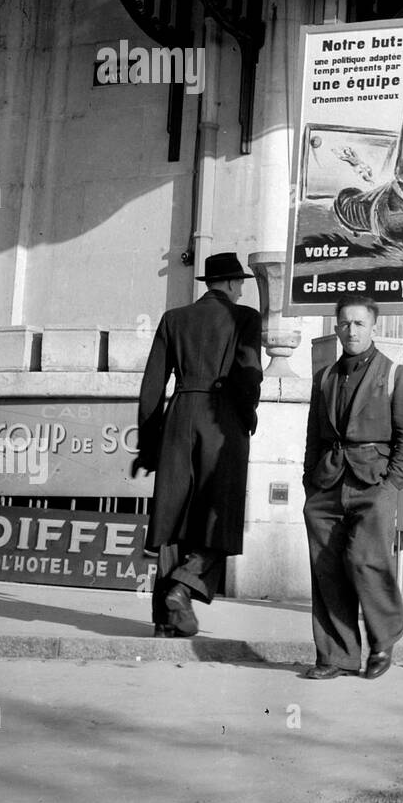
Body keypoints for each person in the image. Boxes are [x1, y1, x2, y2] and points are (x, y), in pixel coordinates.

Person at [133, 252, 262, 638]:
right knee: (220, 515)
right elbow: (249, 373)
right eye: (239, 283)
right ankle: (185, 584)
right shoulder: (246, 318)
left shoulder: (174, 319)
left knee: (172, 518)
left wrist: (148, 444)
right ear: (232, 284)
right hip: (221, 419)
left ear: (209, 282)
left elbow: (152, 389)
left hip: (179, 417)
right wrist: (247, 416)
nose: (241, 290)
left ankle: (165, 621)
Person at [302, 296, 403, 680]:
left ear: (374, 327)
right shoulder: (324, 377)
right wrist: (310, 486)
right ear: (336, 328)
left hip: (374, 485)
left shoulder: (396, 374)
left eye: (359, 323)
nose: (351, 331)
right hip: (327, 486)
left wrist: (391, 487)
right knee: (327, 571)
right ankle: (337, 656)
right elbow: (313, 440)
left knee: (365, 561)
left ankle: (384, 637)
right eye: (344, 323)